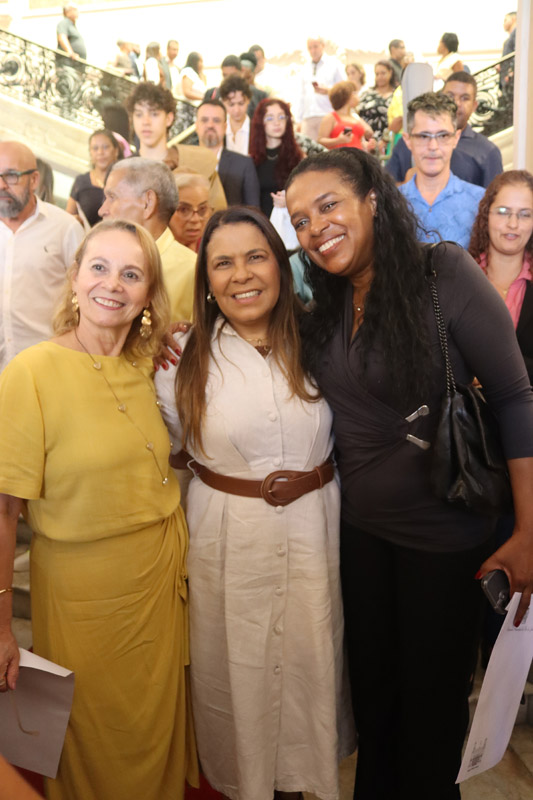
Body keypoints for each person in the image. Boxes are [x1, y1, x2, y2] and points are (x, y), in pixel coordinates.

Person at [285, 148, 533, 800]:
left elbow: (514, 397)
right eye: (301, 221)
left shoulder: (440, 272)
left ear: (371, 199)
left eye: (328, 206)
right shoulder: (327, 299)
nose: (315, 229)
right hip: (361, 537)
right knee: (376, 713)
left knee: (428, 726)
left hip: (443, 541)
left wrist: (529, 531)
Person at [155, 205, 355, 800]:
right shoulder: (180, 362)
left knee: (308, 669)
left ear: (279, 261)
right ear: (206, 281)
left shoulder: (324, 339)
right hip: (228, 542)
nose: (241, 275)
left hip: (316, 535)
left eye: (255, 257)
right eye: (222, 263)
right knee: (237, 677)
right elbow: (167, 456)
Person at [0, 218, 198, 800]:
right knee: (89, 736)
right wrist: (2, 625)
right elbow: (4, 510)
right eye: (99, 267)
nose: (113, 284)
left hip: (160, 587)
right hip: (81, 598)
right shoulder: (31, 373)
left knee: (156, 728)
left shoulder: (149, 364)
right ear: (74, 279)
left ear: (148, 293)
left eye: (132, 274)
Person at [0, 141, 83, 372]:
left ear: (34, 180)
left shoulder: (65, 229)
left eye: (11, 176)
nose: (1, 185)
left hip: (47, 368)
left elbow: (85, 297)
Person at [99, 158, 196, 322]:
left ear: (147, 203)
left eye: (112, 197)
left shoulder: (193, 271)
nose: (102, 210)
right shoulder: (99, 259)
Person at [387, 72, 504, 188]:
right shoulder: (410, 142)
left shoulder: (487, 151)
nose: (457, 103)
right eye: (450, 96)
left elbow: (495, 200)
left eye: (465, 98)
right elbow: (384, 192)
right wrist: (409, 186)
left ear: (474, 106)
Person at [469, 170, 533, 381]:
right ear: (486, 214)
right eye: (503, 211)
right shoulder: (459, 277)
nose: (513, 224)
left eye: (525, 214)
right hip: (467, 411)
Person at [399, 92, 484, 248]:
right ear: (408, 140)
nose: (433, 147)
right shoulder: (392, 203)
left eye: (443, 136)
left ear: (456, 138)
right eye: (424, 136)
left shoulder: (479, 202)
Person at [196, 99, 260, 206]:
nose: (210, 125)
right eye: (204, 120)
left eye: (216, 120)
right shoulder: (182, 162)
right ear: (196, 126)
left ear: (225, 127)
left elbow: (254, 212)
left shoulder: (244, 164)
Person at [249, 97, 303, 217]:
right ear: (260, 122)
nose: (276, 122)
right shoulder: (252, 160)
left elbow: (307, 193)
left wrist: (289, 200)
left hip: (291, 224)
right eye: (270, 118)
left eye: (281, 117)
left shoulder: (298, 158)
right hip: (262, 224)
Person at [66, 129, 122, 227]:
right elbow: (68, 217)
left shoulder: (123, 182)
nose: (100, 152)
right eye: (95, 148)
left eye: (105, 147)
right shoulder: (81, 181)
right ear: (90, 153)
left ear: (116, 151)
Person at [294, 37, 345, 141]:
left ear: (323, 46)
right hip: (308, 116)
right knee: (308, 152)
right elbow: (301, 95)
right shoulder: (304, 68)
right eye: (310, 48)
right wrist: (298, 120)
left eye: (315, 46)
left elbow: (344, 89)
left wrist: (328, 91)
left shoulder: (334, 64)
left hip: (328, 114)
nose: (313, 50)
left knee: (328, 152)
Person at [318, 82, 374, 151]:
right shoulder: (331, 117)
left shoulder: (355, 117)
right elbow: (320, 140)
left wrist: (367, 144)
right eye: (354, 93)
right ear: (347, 96)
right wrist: (338, 140)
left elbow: (368, 133)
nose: (357, 96)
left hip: (358, 158)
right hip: (338, 158)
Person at [356, 60, 398, 144]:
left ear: (390, 73)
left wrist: (385, 140)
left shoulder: (397, 93)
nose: (379, 77)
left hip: (391, 140)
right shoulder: (367, 93)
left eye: (383, 73)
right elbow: (355, 114)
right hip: (369, 141)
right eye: (377, 74)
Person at [170, 171, 212, 252]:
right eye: (184, 210)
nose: (195, 219)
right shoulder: (155, 254)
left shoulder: (213, 248)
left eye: (202, 209)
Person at [220, 75, 252, 156]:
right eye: (231, 105)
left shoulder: (256, 129)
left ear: (248, 100)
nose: (236, 110)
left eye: (241, 104)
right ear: (223, 102)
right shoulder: (219, 128)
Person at [177, 51, 208, 131]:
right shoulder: (188, 72)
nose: (202, 64)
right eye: (200, 61)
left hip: (196, 110)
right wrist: (205, 97)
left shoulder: (198, 75)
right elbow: (187, 92)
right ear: (194, 61)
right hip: (187, 111)